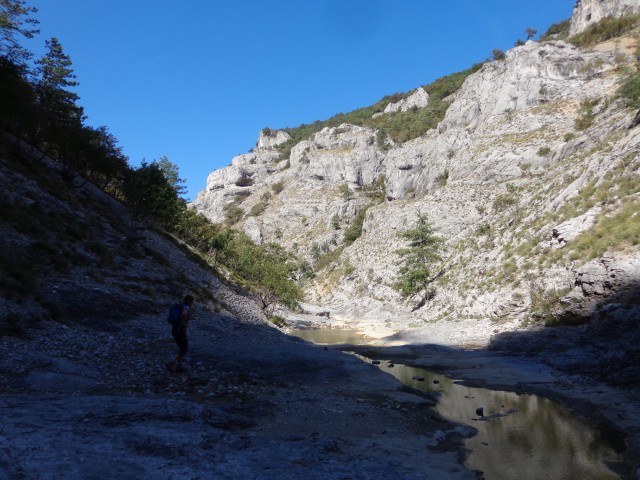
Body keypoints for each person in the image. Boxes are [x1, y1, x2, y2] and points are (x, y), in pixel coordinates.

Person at [167, 294, 195, 372]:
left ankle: (179, 366)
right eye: (192, 301)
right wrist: (186, 324)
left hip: (175, 328)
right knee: (184, 348)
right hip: (180, 329)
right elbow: (184, 314)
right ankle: (172, 363)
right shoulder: (186, 307)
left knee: (182, 348)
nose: (192, 303)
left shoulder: (181, 306)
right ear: (188, 301)